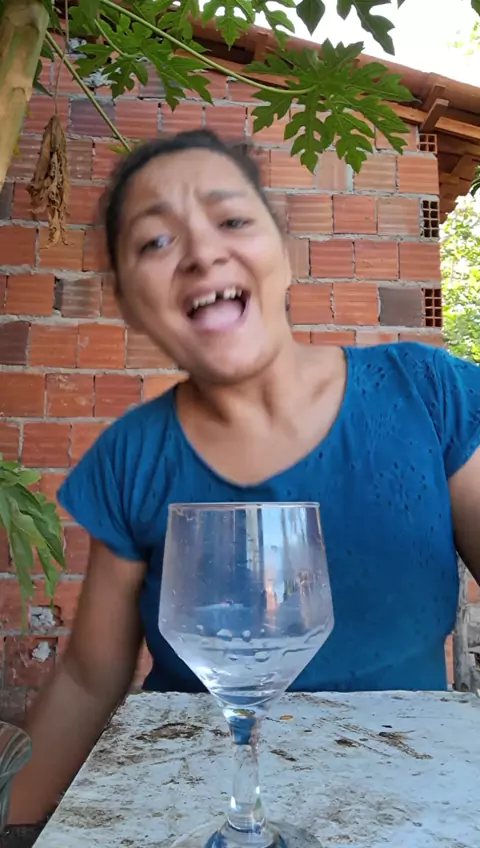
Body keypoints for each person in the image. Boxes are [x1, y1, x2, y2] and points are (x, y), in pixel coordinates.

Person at [9, 129, 480, 824]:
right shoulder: (133, 454)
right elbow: (86, 678)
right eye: (155, 242)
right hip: (192, 801)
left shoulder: (427, 393)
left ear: (283, 253)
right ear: (130, 302)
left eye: (231, 220)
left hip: (408, 795)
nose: (202, 252)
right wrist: (13, 814)